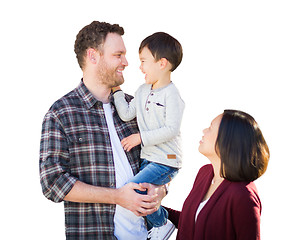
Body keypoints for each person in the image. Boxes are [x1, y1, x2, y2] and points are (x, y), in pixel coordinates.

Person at [39, 21, 167, 240]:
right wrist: (117, 197)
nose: (126, 62)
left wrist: (161, 189)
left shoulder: (136, 107)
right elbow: (52, 182)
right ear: (93, 56)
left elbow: (164, 156)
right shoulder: (61, 113)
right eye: (118, 55)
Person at [112, 32, 184, 239]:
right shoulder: (142, 90)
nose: (140, 67)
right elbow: (126, 114)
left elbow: (171, 129)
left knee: (131, 190)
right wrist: (117, 91)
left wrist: (140, 138)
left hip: (167, 161)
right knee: (143, 192)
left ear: (162, 63)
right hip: (149, 159)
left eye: (144, 61)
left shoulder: (172, 95)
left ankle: (162, 223)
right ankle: (159, 223)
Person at [165, 110, 270, 240]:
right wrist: (155, 208)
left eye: (210, 128)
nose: (204, 130)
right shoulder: (205, 173)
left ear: (227, 140)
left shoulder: (244, 195)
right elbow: (193, 222)